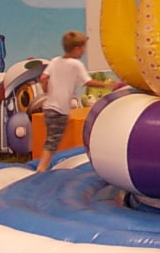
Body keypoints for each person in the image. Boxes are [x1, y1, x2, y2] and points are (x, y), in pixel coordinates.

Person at [36, 31, 109, 172]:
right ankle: (41, 168)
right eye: (82, 49)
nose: (83, 52)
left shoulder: (55, 61)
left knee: (52, 137)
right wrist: (107, 85)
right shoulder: (75, 64)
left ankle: (43, 165)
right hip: (59, 109)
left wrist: (46, 89)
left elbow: (43, 77)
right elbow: (88, 82)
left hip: (48, 107)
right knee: (53, 140)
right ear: (76, 49)